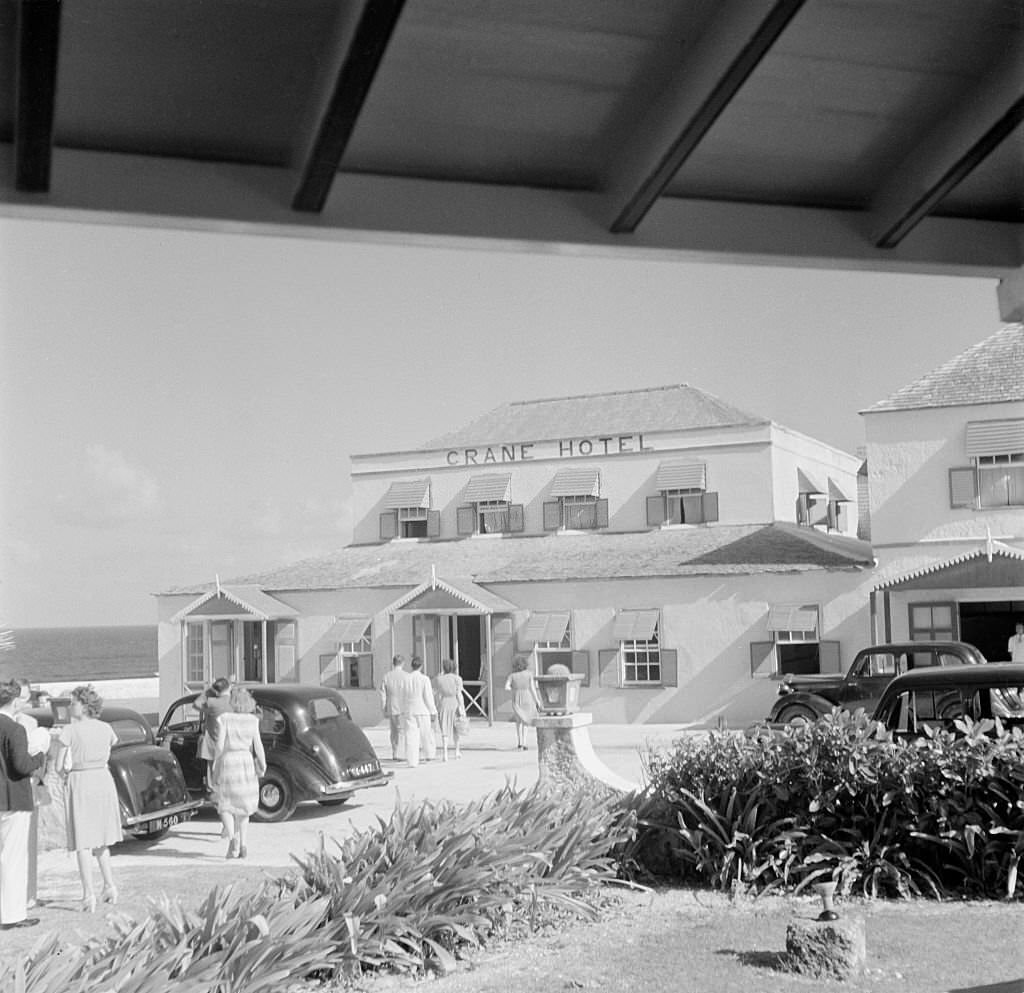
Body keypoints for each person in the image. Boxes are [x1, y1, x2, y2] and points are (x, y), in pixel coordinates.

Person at [57, 684, 122, 913]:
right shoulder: (106, 728)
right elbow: (111, 747)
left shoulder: (70, 730)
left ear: (83, 706)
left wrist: (65, 775)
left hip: (81, 780)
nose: (70, 706)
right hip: (102, 780)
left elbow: (59, 766)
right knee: (102, 840)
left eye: (73, 703)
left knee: (83, 842)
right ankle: (110, 885)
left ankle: (88, 894)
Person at [0, 679, 45, 929]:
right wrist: (39, 756)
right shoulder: (14, 729)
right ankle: (12, 914)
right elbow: (21, 766)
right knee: (13, 857)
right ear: (15, 701)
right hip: (12, 797)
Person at [212, 686, 266, 859]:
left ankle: (232, 838)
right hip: (246, 762)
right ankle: (243, 845)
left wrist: (216, 763)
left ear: (233, 702)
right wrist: (263, 764)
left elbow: (220, 745)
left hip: (229, 761)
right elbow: (258, 745)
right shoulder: (253, 721)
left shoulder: (225, 719)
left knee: (225, 805)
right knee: (244, 807)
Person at [13, 680, 51, 912]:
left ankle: (30, 895)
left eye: (26, 698)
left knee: (29, 845)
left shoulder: (30, 722)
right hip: (15, 785)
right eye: (20, 697)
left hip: (29, 785)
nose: (22, 702)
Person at [399, 656, 437, 767]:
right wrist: (433, 710)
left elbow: (402, 696)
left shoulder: (405, 679)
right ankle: (429, 754)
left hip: (410, 709)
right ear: (421, 666)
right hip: (423, 709)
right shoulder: (424, 679)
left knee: (411, 736)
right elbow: (428, 697)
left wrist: (402, 709)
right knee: (426, 733)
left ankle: (412, 761)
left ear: (412, 666)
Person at [195, 677, 232, 792]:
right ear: (229, 688)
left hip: (213, 741)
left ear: (216, 691)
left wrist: (208, 690)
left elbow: (196, 704)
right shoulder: (233, 702)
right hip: (230, 742)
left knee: (212, 773)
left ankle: (213, 790)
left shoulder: (212, 703)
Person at [433, 658, 467, 762]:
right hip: (454, 703)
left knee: (445, 729)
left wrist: (436, 705)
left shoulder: (439, 679)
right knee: (456, 729)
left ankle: (445, 753)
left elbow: (437, 694)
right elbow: (459, 694)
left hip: (444, 703)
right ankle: (457, 751)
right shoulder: (457, 679)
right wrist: (462, 708)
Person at [504, 656, 540, 751]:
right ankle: (524, 743)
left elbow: (506, 687)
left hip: (516, 698)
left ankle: (519, 743)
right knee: (525, 721)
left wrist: (513, 689)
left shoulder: (512, 676)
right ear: (525, 664)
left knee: (518, 721)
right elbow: (532, 689)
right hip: (527, 698)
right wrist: (537, 701)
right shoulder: (529, 674)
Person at [379, 655, 407, 762]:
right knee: (402, 730)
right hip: (403, 706)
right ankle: (401, 753)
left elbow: (382, 694)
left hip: (391, 706)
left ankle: (395, 752)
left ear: (393, 663)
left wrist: (384, 708)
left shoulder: (387, 676)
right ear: (402, 663)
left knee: (393, 731)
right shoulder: (406, 676)